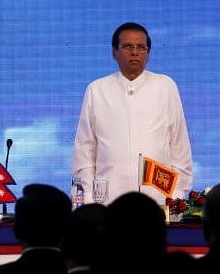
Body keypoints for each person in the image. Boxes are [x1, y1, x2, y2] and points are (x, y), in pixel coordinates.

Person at [72, 21, 192, 204]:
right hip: (107, 201)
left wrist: (176, 196)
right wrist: (89, 200)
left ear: (148, 53)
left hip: (158, 200)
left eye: (141, 47)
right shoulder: (97, 90)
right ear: (114, 52)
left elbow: (179, 146)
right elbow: (85, 150)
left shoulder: (165, 86)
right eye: (127, 46)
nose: (135, 52)